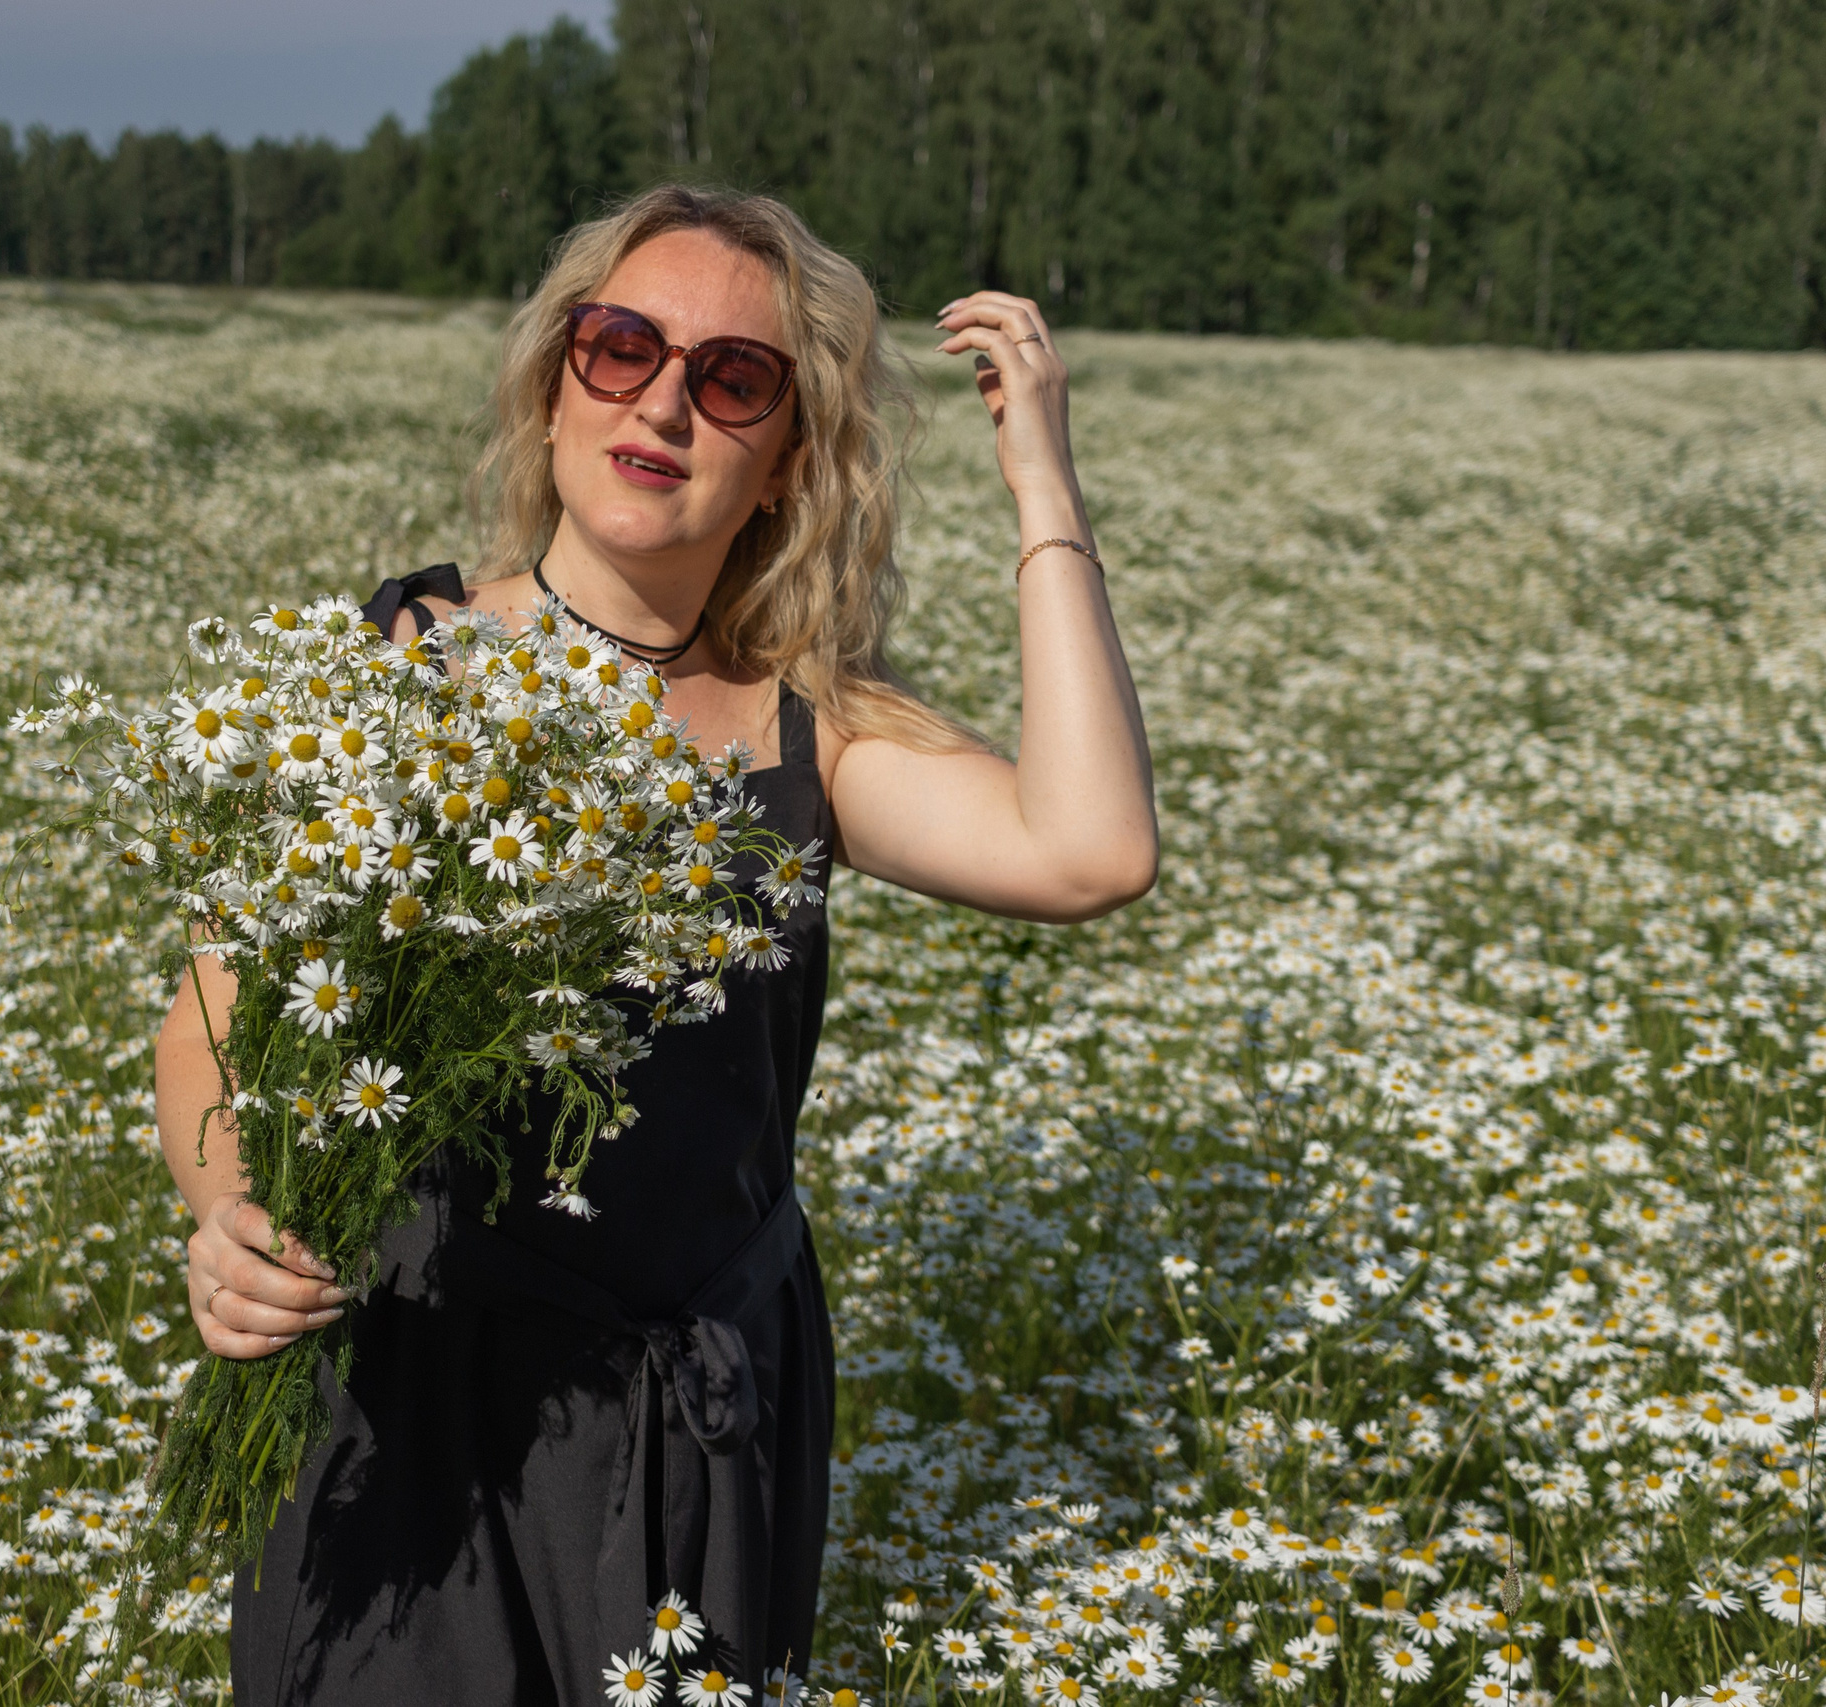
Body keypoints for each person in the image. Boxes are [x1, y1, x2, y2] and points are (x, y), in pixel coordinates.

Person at [153, 182, 1158, 1706]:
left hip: (692, 1426)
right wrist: (230, 1214)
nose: (665, 402)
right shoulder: (393, 671)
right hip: (412, 1393)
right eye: (622, 346)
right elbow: (217, 1016)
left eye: (735, 378)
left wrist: (1044, 489)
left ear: (788, 461)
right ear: (556, 382)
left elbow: (1093, 853)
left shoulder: (809, 730)